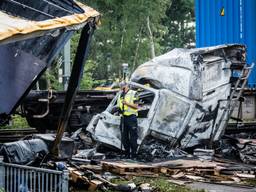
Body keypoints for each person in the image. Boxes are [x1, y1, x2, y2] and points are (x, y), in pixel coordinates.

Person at [118, 82, 139, 159]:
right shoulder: (120, 94)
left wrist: (126, 103)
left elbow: (136, 106)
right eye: (120, 86)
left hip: (131, 118)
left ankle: (134, 155)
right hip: (123, 118)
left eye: (123, 86)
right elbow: (119, 105)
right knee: (124, 137)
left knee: (133, 137)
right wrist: (119, 110)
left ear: (127, 85)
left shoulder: (134, 93)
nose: (122, 87)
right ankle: (127, 154)